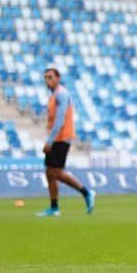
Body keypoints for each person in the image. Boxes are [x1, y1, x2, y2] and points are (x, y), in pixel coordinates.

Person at [37, 68, 95, 217]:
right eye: (45, 78)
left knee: (56, 171)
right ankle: (54, 207)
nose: (47, 80)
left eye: (50, 77)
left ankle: (86, 192)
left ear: (58, 78)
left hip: (61, 138)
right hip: (55, 137)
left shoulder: (61, 94)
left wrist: (49, 140)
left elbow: (60, 119)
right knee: (49, 172)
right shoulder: (53, 96)